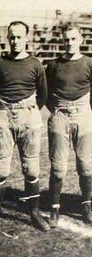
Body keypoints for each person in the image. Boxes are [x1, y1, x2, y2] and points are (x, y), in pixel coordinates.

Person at [0, 21, 50, 233]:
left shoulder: (36, 64)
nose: (15, 40)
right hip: (3, 116)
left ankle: (34, 212)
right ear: (7, 38)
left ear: (27, 38)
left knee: (31, 169)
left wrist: (27, 112)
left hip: (29, 117)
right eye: (12, 36)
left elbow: (43, 94)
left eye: (20, 36)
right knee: (0, 169)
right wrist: (2, 113)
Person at [45, 23, 92, 226]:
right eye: (66, 39)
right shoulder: (53, 65)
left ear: (81, 40)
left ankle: (87, 205)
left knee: (85, 165)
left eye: (74, 39)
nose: (70, 43)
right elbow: (46, 94)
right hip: (60, 115)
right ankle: (54, 208)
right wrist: (57, 111)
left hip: (83, 115)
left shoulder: (89, 63)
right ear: (61, 41)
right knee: (58, 167)